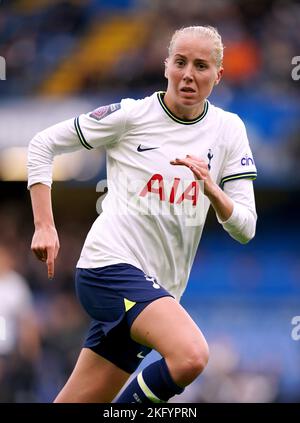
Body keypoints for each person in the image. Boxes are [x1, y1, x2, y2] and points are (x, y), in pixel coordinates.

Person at [27, 25, 257, 403]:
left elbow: (245, 227)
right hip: (109, 268)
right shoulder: (131, 115)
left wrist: (214, 191)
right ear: (166, 65)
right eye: (180, 62)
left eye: (201, 66)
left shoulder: (229, 130)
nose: (188, 74)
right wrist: (44, 225)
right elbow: (42, 144)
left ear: (218, 74)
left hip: (158, 289)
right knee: (190, 356)